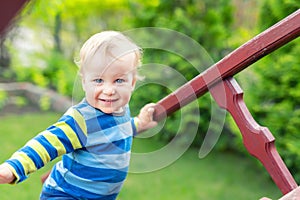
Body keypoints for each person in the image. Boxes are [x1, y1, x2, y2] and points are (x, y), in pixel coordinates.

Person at [0, 31, 158, 199]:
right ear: (84, 82)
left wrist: (139, 123)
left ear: (132, 83)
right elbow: (46, 143)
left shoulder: (122, 109)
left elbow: (119, 131)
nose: (109, 90)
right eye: (98, 80)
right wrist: (13, 167)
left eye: (119, 80)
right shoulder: (81, 119)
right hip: (67, 195)